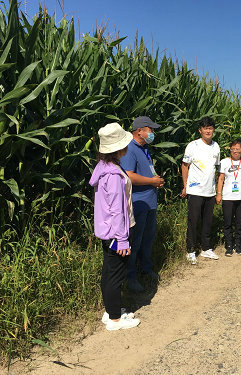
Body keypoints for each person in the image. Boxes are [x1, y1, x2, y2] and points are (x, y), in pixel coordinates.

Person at [89, 122, 140, 330]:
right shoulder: (113, 175)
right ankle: (115, 320)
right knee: (115, 274)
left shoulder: (104, 167)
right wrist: (122, 239)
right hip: (115, 232)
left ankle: (111, 310)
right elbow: (117, 210)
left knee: (109, 272)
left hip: (107, 230)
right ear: (118, 148)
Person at [120, 116, 164, 292]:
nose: (152, 133)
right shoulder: (130, 149)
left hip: (149, 202)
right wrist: (152, 181)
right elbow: (128, 175)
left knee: (148, 238)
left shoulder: (144, 149)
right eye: (150, 130)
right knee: (135, 241)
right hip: (138, 203)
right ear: (140, 131)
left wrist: (155, 181)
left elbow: (146, 174)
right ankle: (131, 277)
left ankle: (146, 269)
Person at [181, 116, 221, 265]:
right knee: (193, 221)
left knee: (207, 222)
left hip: (209, 191)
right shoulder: (193, 146)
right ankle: (190, 251)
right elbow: (185, 166)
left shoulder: (216, 146)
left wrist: (217, 190)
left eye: (210, 128)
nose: (208, 131)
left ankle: (206, 248)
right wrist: (185, 185)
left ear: (213, 130)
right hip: (195, 190)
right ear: (200, 130)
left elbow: (215, 169)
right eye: (205, 128)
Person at [216, 140, 241, 256]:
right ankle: (228, 245)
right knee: (227, 221)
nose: (235, 151)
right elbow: (221, 179)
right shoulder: (224, 162)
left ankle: (238, 244)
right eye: (233, 149)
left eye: (238, 149)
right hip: (228, 197)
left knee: (239, 222)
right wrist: (218, 193)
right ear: (230, 150)